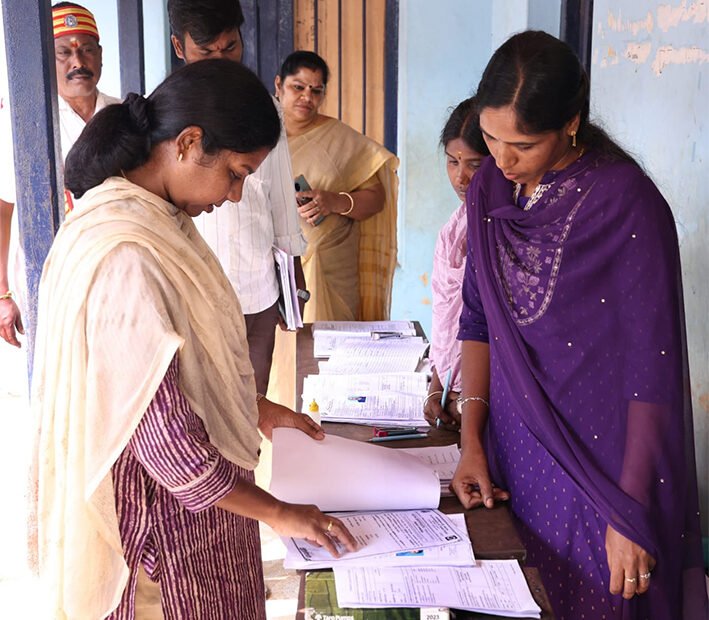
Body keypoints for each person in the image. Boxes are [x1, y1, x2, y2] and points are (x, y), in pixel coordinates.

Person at [29, 59, 357, 620]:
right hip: (159, 534)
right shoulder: (126, 254)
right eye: (236, 173)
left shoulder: (157, 220)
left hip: (198, 520)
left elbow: (173, 369)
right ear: (187, 143)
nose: (236, 195)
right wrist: (281, 514)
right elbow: (168, 446)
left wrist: (257, 408)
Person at [449, 31, 707, 619]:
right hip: (513, 454)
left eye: (523, 144)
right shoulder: (489, 188)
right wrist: (471, 443)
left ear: (570, 123)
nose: (502, 159)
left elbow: (652, 369)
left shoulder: (626, 202)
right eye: (490, 137)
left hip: (606, 468)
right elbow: (477, 317)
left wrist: (630, 511)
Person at [167, 0, 308, 396]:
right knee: (198, 408)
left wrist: (293, 275)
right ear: (179, 47)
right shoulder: (165, 112)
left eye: (230, 47)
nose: (221, 62)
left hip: (257, 286)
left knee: (252, 405)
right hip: (192, 296)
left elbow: (280, 197)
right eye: (205, 51)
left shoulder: (267, 109)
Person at [0, 2, 120, 347]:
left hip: (119, 279)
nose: (77, 62)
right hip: (50, 282)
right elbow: (3, 208)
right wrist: (2, 293)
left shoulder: (124, 114)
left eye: (87, 50)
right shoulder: (23, 123)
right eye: (64, 52)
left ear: (101, 55)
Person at [274, 50, 398, 322]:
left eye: (316, 91)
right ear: (279, 84)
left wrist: (334, 201)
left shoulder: (340, 138)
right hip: (274, 267)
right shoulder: (259, 134)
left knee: (328, 345)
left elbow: (376, 199)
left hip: (331, 268)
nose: (307, 97)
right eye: (298, 87)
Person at [422, 97, 489, 430]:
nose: (460, 178)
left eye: (474, 164)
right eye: (452, 162)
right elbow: (445, 322)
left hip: (486, 401)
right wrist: (436, 388)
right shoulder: (453, 230)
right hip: (452, 394)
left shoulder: (503, 229)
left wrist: (468, 405)